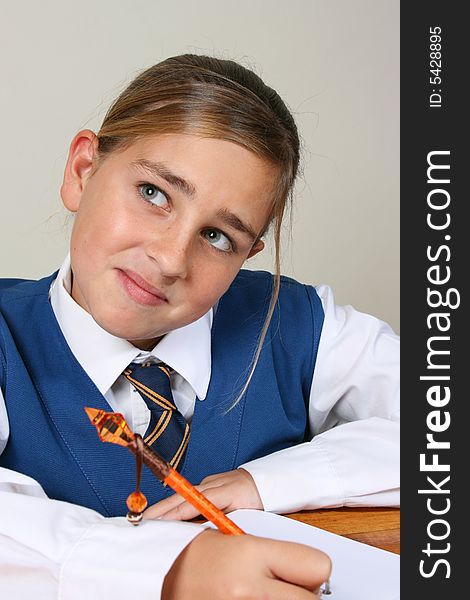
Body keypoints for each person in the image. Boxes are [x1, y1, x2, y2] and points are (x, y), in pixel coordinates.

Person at [0, 54, 398, 598]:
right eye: (153, 194)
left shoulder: (296, 325)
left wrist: (269, 483)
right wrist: (174, 568)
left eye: (218, 237)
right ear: (82, 171)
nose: (169, 259)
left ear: (247, 256)